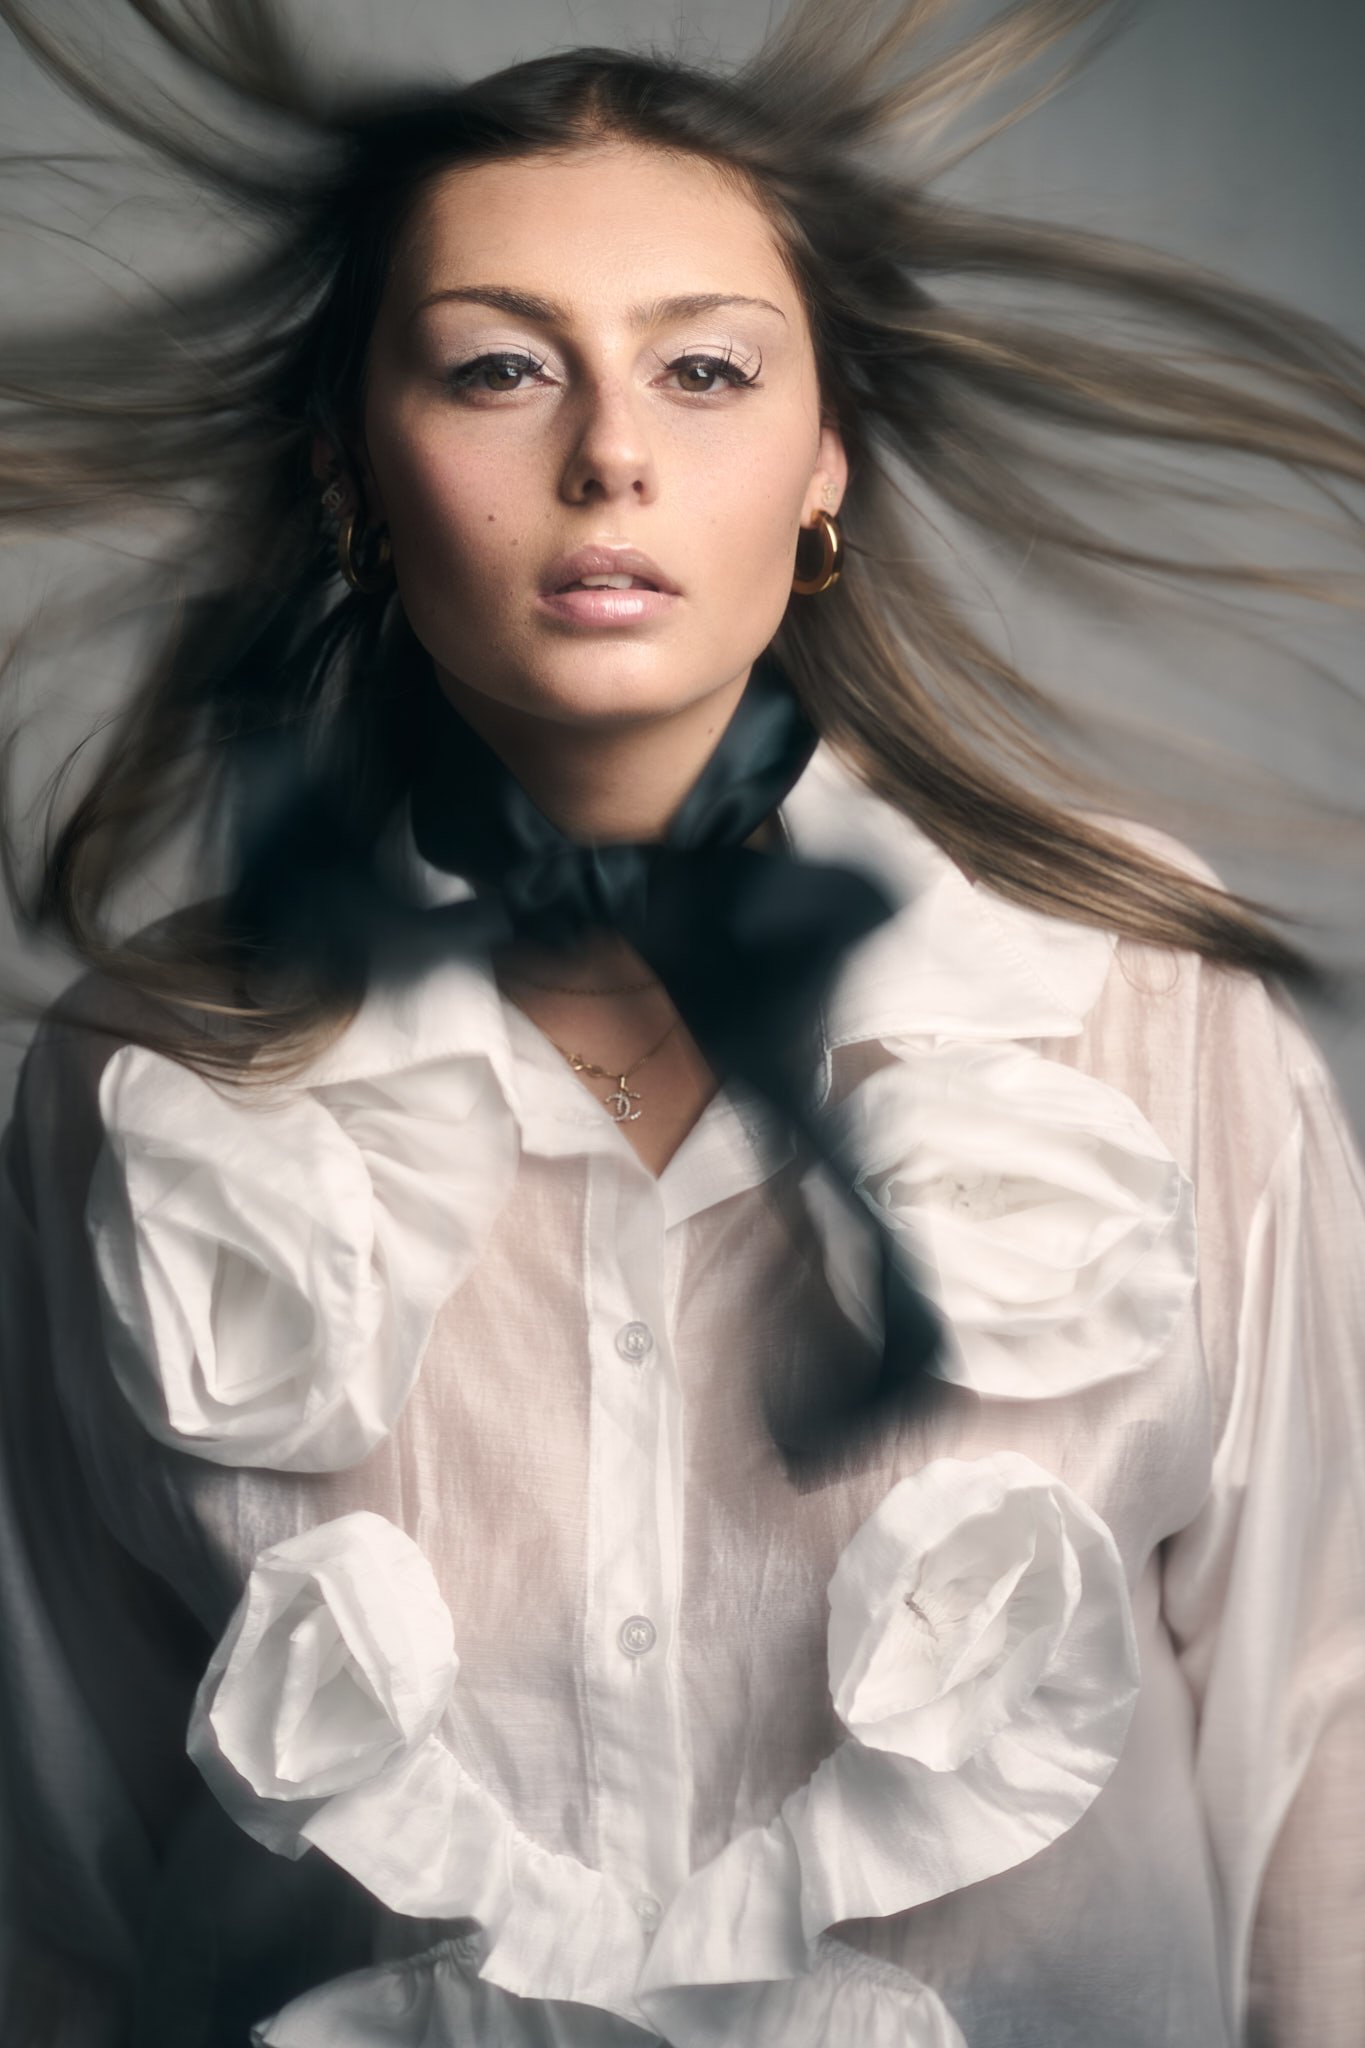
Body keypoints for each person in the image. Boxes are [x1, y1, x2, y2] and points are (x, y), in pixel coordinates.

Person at [0, 1, 1362, 2043]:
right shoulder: (141, 1086)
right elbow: (57, 1854)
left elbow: (1318, 1752)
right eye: (494, 367)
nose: (610, 452)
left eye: (703, 368)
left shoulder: (1152, 1026)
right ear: (351, 469)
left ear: (822, 462)